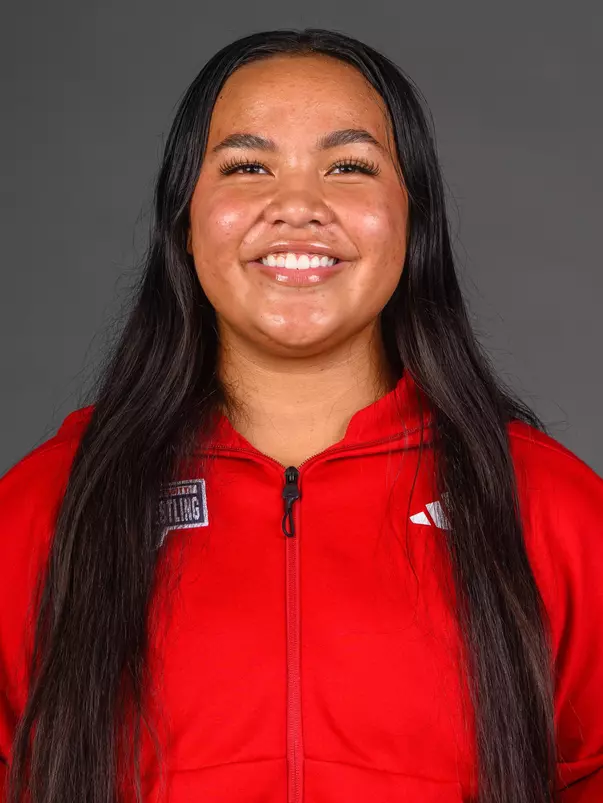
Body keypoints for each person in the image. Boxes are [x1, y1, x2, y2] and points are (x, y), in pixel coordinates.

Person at [1, 27, 602, 803]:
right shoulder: (50, 508)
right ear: (185, 219)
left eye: (348, 167)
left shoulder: (547, 508)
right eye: (247, 166)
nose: (296, 205)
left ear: (412, 219)